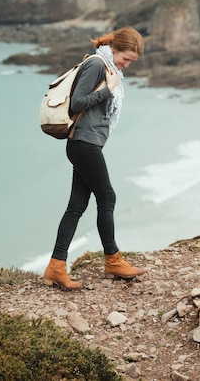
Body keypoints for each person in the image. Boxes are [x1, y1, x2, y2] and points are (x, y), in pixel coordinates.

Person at [43, 26, 146, 290]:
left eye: (131, 62)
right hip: (84, 144)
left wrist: (112, 85)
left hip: (86, 145)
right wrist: (108, 89)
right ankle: (112, 260)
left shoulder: (109, 68)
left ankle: (56, 267)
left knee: (77, 205)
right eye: (126, 59)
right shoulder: (98, 65)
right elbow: (77, 102)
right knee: (107, 197)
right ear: (115, 49)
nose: (127, 65)